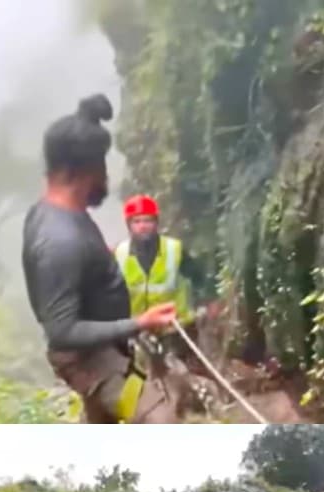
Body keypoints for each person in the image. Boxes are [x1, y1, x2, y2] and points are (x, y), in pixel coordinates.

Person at [21, 94, 185, 423]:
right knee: (158, 418)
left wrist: (97, 265)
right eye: (102, 166)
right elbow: (62, 332)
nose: (106, 177)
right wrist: (141, 322)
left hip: (107, 352)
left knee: (102, 421)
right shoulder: (60, 241)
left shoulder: (56, 214)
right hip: (92, 362)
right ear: (82, 171)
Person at [113, 194, 215, 378]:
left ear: (156, 223)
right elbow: (111, 292)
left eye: (147, 221)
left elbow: (199, 276)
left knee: (191, 373)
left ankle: (208, 401)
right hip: (141, 330)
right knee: (150, 377)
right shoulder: (119, 254)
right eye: (137, 222)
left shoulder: (174, 249)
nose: (142, 226)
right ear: (129, 225)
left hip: (177, 327)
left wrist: (210, 300)